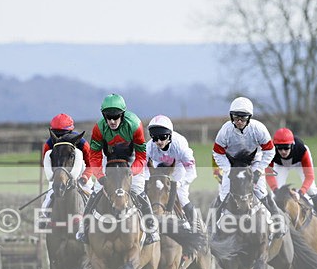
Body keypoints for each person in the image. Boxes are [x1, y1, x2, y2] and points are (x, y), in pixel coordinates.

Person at [75, 93, 159, 244]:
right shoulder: (99, 128)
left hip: (131, 157)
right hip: (110, 158)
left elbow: (141, 155)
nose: (112, 121)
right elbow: (94, 156)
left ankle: (151, 227)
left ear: (123, 114)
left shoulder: (134, 125)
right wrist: (100, 176)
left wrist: (130, 173)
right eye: (108, 117)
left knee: (137, 189)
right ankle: (83, 226)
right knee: (96, 188)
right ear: (104, 116)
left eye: (116, 117)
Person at [212, 96, 286, 235]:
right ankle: (213, 225)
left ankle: (278, 220)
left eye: (243, 118)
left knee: (260, 190)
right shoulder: (225, 130)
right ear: (231, 117)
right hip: (232, 162)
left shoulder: (258, 129)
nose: (239, 121)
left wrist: (259, 169)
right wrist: (227, 170)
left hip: (254, 161)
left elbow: (270, 150)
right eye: (236, 117)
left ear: (249, 118)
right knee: (225, 191)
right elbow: (217, 153)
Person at [265, 127, 317, 231]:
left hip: (299, 162)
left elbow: (309, 176)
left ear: (292, 145)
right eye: (279, 148)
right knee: (274, 195)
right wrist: (276, 190)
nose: (283, 151)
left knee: (312, 189)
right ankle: (271, 224)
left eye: (286, 148)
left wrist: (300, 193)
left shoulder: (302, 150)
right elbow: (268, 173)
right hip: (280, 165)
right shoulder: (271, 151)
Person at [38, 113, 93, 228]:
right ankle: (44, 215)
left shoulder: (83, 144)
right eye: (57, 134)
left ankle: (92, 219)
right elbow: (47, 164)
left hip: (81, 173)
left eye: (63, 134)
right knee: (50, 192)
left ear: (70, 132)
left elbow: (90, 165)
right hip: (59, 174)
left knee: (91, 193)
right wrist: (54, 177)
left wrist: (84, 178)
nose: (60, 138)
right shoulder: (49, 144)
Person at [144, 114, 198, 229]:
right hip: (159, 167)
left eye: (163, 137)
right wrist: (147, 182)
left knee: (181, 195)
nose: (159, 142)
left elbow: (192, 172)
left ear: (169, 135)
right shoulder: (149, 147)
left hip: (178, 167)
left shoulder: (180, 145)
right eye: (155, 138)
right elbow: (143, 170)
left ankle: (196, 228)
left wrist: (179, 184)